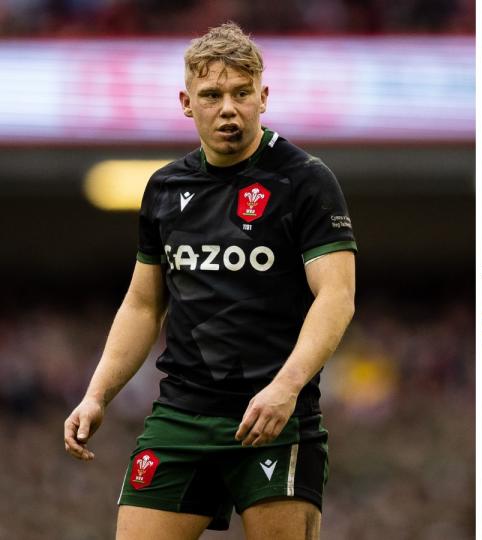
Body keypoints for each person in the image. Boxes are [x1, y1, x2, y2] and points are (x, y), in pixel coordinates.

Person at [63, 22, 356, 539]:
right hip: (181, 417)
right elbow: (141, 306)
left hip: (275, 419)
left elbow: (336, 296)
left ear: (263, 97)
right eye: (212, 95)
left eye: (242, 93)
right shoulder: (164, 188)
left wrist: (285, 388)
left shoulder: (305, 181)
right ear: (186, 102)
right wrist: (96, 394)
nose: (229, 108)